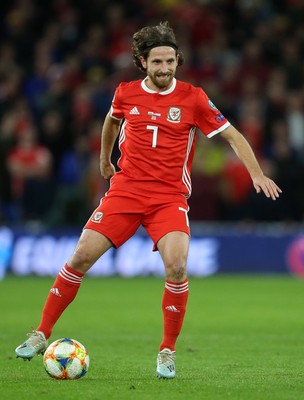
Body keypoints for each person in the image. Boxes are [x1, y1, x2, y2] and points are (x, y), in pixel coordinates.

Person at [15, 21, 282, 379]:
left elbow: (233, 136)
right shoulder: (125, 92)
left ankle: (167, 351)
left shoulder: (193, 98)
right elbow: (111, 121)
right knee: (80, 256)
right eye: (157, 62)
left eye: (170, 61)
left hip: (168, 197)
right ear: (143, 62)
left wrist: (256, 173)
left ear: (177, 61)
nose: (164, 69)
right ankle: (40, 332)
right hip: (126, 191)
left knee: (177, 267)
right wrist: (104, 160)